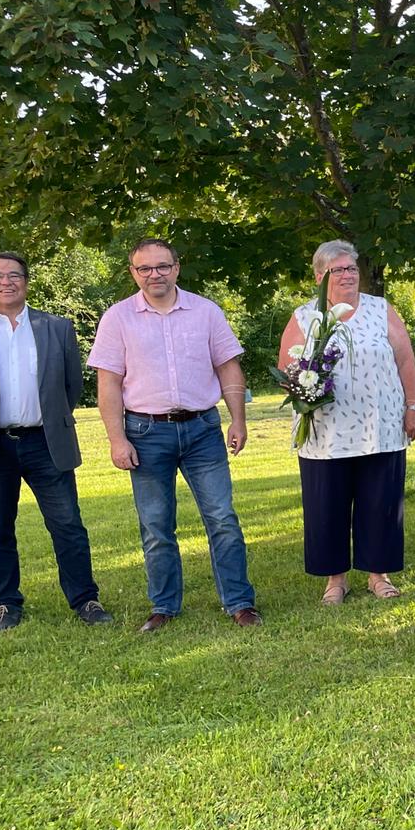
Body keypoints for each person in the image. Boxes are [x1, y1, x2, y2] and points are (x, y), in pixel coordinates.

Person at [88, 238, 262, 631]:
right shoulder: (118, 318)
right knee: (155, 525)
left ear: (177, 267)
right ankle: (163, 606)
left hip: (203, 429)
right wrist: (117, 439)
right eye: (145, 268)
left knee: (222, 518)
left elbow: (229, 368)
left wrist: (238, 420)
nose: (155, 275)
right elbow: (109, 384)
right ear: (133, 273)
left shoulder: (206, 312)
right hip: (146, 432)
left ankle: (240, 603)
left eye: (162, 266)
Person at [0, 252, 110, 631]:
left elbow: (71, 386)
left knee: (68, 524)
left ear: (26, 281)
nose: (6, 282)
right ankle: (6, 603)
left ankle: (85, 600)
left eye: (14, 275)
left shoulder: (57, 327)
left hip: (46, 442)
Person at [279, 241, 415, 606]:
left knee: (381, 502)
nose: (347, 275)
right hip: (325, 431)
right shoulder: (304, 316)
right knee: (326, 505)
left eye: (352, 269)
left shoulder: (380, 309)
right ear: (319, 276)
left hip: (381, 426)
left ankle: (378, 575)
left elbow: (406, 361)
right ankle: (335, 580)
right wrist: (304, 388)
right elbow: (286, 370)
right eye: (338, 269)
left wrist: (413, 407)